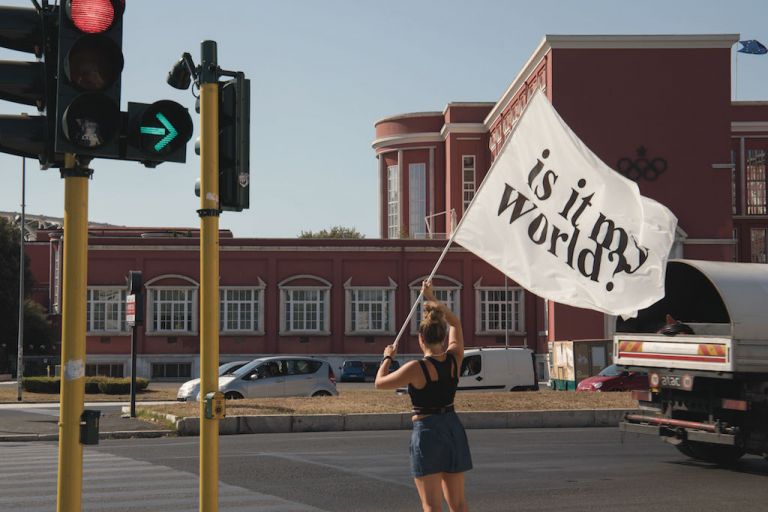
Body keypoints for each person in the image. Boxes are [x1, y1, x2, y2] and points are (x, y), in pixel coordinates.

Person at [375, 280, 471, 512]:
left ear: (421, 338)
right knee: (458, 504)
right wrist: (432, 298)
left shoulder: (414, 368)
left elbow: (379, 383)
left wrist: (387, 357)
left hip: (428, 431)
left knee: (431, 506)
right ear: (442, 335)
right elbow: (455, 322)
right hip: (452, 426)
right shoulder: (454, 359)